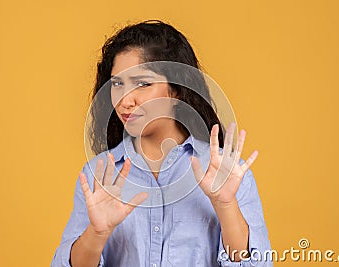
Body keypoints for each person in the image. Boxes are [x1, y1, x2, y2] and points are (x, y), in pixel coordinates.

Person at [51, 20, 272, 267]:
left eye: (142, 83)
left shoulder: (227, 173)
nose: (125, 100)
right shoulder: (97, 174)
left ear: (176, 89)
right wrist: (97, 232)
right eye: (117, 84)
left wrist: (225, 204)